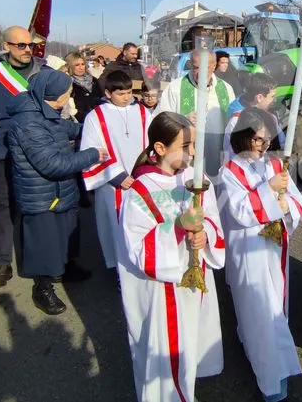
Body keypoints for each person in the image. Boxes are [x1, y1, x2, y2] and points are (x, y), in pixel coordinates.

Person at [119, 111, 225, 402]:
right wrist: (178, 227)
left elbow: (213, 219)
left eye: (194, 145)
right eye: (185, 146)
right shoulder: (140, 189)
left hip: (193, 276)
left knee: (190, 346)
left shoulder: (195, 177)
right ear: (160, 148)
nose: (192, 153)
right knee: (165, 360)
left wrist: (207, 235)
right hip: (161, 289)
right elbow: (138, 249)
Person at [218, 107, 302, 402]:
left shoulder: (272, 164)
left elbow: (297, 199)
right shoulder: (228, 171)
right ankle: (271, 377)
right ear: (242, 137)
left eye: (267, 140)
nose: (264, 146)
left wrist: (287, 205)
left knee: (274, 309)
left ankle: (259, 351)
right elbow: (240, 211)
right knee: (261, 312)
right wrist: (269, 191)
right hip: (249, 252)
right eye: (258, 140)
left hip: (274, 249)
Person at [7, 71, 107, 315]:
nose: (70, 95)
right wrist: (93, 154)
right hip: (42, 195)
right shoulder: (28, 122)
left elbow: (67, 129)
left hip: (60, 191)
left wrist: (94, 127)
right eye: (67, 93)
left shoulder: (43, 111)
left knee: (66, 231)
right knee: (44, 242)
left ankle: (66, 267)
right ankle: (42, 287)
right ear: (55, 96)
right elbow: (53, 165)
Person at [0, 26, 50, 290]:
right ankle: (3, 263)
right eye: (21, 45)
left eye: (30, 45)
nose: (27, 50)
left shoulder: (45, 72)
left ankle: (37, 263)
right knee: (2, 208)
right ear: (7, 45)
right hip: (1, 151)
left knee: (34, 208)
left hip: (34, 152)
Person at [80, 70, 152, 276]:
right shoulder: (97, 116)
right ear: (109, 93)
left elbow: (152, 143)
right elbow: (91, 150)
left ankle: (144, 266)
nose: (127, 97)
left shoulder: (142, 112)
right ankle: (121, 273)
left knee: (142, 227)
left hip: (141, 179)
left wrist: (146, 171)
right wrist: (118, 176)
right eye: (121, 94)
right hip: (113, 183)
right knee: (116, 228)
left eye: (129, 92)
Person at [155, 49, 235, 177]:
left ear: (214, 66)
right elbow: (159, 122)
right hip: (186, 159)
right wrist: (181, 120)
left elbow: (233, 123)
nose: (199, 73)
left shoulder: (226, 89)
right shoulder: (176, 88)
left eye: (205, 68)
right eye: (196, 67)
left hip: (218, 156)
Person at [223, 73, 284, 159]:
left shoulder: (271, 117)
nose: (274, 100)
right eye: (272, 96)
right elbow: (234, 154)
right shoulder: (237, 121)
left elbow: (281, 143)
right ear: (259, 98)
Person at [64, 52, 103, 124]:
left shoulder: (94, 80)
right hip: (78, 122)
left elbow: (101, 98)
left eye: (82, 64)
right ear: (70, 66)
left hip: (97, 119)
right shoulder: (67, 83)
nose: (81, 67)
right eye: (77, 65)